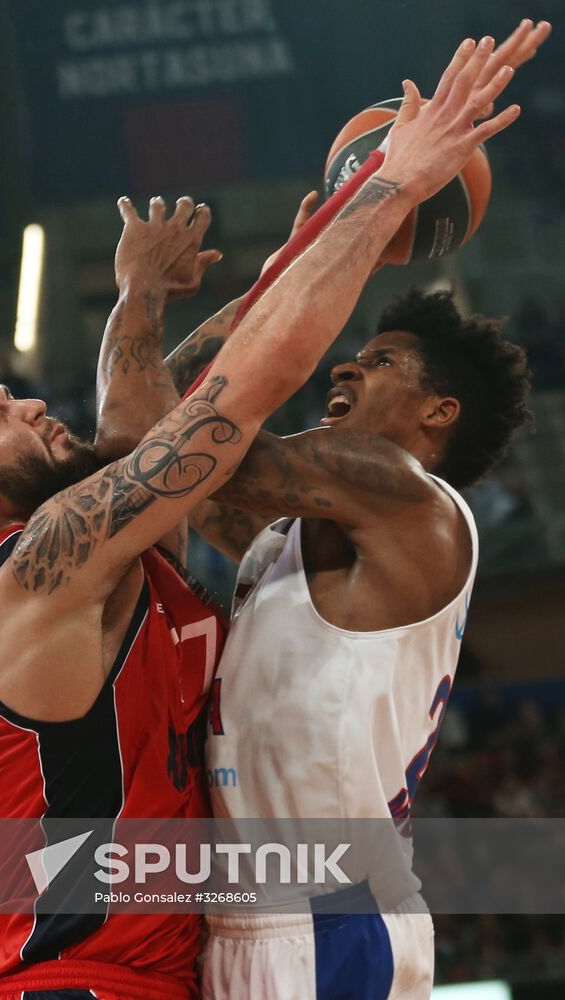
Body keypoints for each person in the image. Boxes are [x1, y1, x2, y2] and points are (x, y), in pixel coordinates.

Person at [0, 38, 520, 1000]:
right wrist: (379, 195)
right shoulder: (42, 567)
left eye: (4, 395)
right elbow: (208, 416)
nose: (24, 403)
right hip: (109, 974)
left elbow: (162, 431)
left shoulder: (165, 553)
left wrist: (278, 263)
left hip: (276, 926)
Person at [93, 22, 547, 1000]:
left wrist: (351, 222)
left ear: (439, 413)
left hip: (328, 918)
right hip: (274, 908)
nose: (347, 361)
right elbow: (164, 438)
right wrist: (299, 257)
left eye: (380, 361)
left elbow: (155, 437)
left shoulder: (405, 499)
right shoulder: (307, 536)